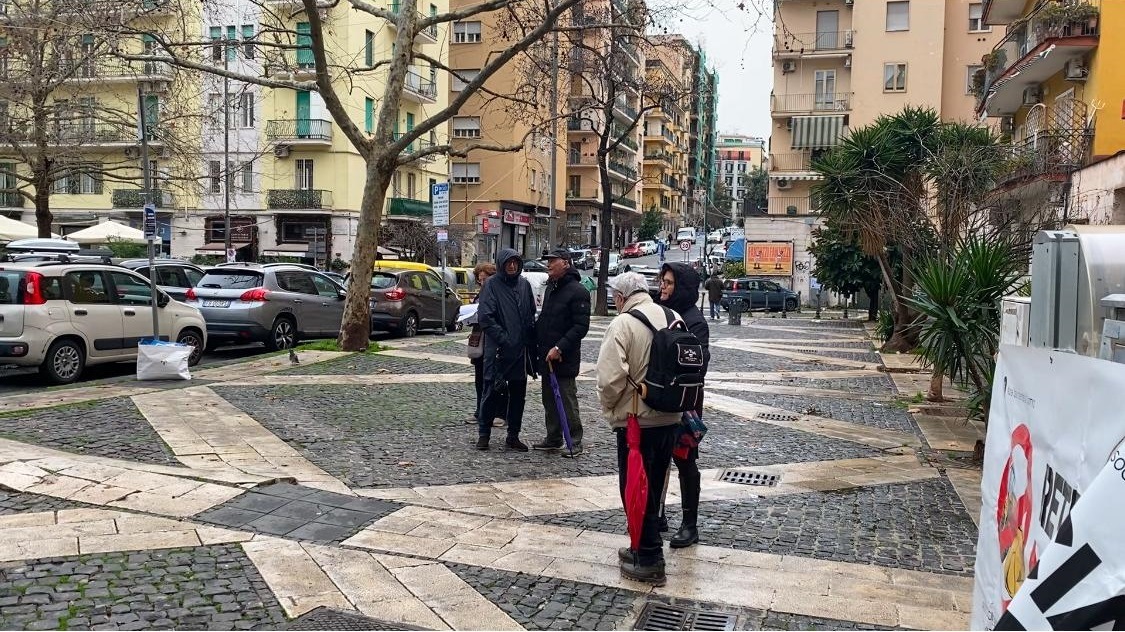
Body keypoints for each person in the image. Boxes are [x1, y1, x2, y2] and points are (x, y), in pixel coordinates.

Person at [595, 272, 682, 586]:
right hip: (671, 417)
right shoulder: (673, 316)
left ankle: (647, 555)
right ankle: (644, 546)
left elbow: (609, 379)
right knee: (656, 487)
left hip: (637, 421)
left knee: (635, 488)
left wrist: (611, 408)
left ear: (620, 297)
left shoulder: (623, 323)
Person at [656, 263, 711, 548]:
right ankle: (658, 514)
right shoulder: (661, 313)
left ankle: (690, 524)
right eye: (662, 282)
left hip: (685, 404)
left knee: (684, 461)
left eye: (669, 283)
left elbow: (697, 365)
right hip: (659, 401)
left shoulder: (694, 321)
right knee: (658, 459)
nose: (663, 287)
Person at [476, 248, 538, 451]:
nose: (512, 266)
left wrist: (529, 341)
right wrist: (504, 338)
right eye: (508, 263)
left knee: (518, 395)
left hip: (520, 353)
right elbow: (485, 317)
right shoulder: (492, 286)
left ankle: (513, 434)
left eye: (515, 263)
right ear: (502, 264)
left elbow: (530, 313)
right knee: (491, 392)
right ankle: (484, 433)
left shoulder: (524, 285)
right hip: (498, 351)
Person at [533, 249, 591, 457]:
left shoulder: (578, 292)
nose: (548, 265)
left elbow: (580, 326)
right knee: (549, 400)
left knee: (567, 399)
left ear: (565, 263)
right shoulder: (551, 289)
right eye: (547, 261)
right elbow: (546, 320)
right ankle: (554, 437)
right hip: (546, 356)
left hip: (564, 357)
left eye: (552, 261)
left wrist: (559, 347)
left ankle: (575, 441)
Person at [468, 263, 506, 428]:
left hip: (495, 341)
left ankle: (500, 413)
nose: (482, 282)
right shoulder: (479, 294)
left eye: (485, 279)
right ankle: (480, 411)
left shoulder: (500, 294)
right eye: (480, 279)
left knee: (497, 380)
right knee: (480, 379)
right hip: (480, 342)